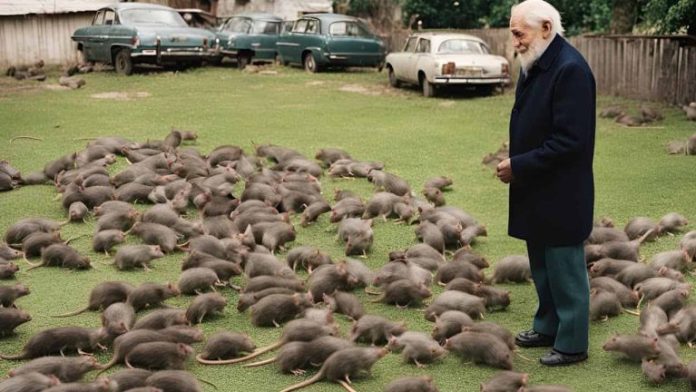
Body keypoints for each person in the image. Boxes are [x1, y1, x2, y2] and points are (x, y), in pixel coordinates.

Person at [496, 0, 596, 366]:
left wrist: (519, 165)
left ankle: (572, 344)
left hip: (561, 191)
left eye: (518, 33)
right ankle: (548, 326)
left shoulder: (570, 70)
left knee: (566, 271)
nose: (515, 40)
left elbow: (571, 142)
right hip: (538, 186)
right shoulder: (539, 62)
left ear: (546, 29)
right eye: (513, 32)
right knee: (542, 265)